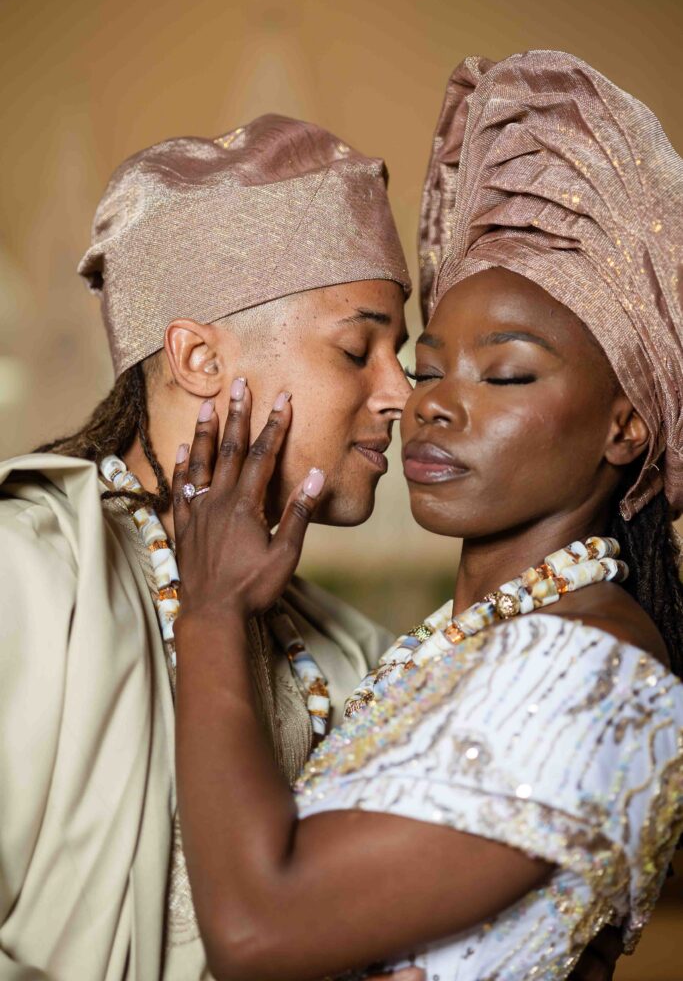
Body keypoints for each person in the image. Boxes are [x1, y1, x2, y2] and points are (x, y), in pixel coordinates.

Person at [171, 51, 683, 981]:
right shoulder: (464, 646)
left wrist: (210, 611)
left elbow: (257, 934)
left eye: (508, 372)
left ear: (624, 426)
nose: (430, 404)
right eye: (429, 363)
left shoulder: (591, 668)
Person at [0, 114, 422, 979]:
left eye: (401, 352)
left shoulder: (347, 649)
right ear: (197, 357)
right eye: (357, 348)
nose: (400, 394)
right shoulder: (28, 574)